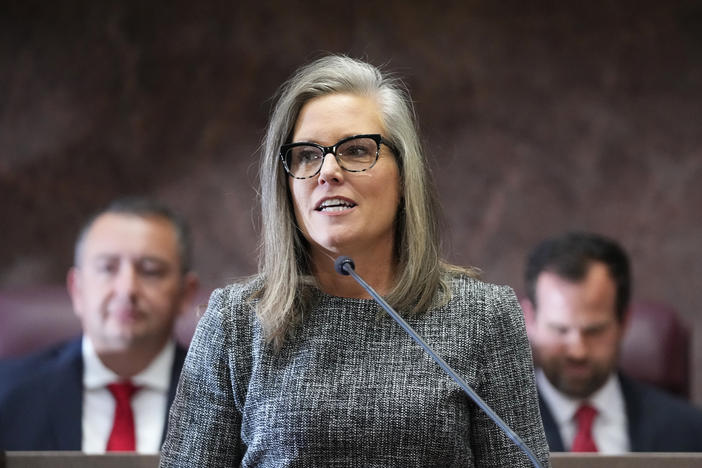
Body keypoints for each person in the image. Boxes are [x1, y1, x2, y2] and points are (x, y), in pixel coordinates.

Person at [160, 55, 550, 467]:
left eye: (357, 150)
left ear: (404, 176)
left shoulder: (484, 317)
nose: (327, 170)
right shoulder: (234, 321)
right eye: (307, 155)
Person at [0, 197, 199, 453]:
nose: (127, 289)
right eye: (107, 268)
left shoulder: (228, 400)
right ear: (77, 289)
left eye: (150, 270)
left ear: (185, 293)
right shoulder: (8, 392)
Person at [523, 231, 702, 453]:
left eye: (594, 331)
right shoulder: (488, 430)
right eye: (560, 330)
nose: (578, 351)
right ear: (529, 319)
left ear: (623, 322)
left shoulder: (689, 431)